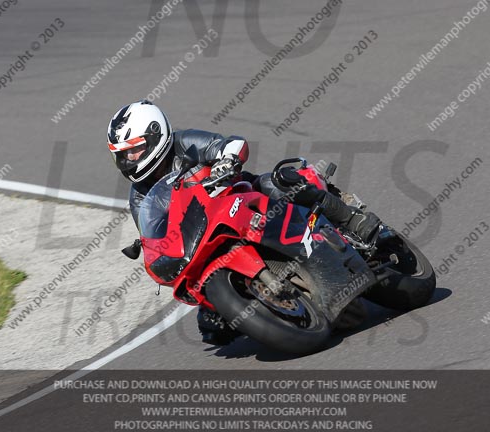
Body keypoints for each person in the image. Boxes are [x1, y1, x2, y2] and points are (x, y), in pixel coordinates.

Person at [107, 100, 380, 345]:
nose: (128, 160)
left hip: (239, 195)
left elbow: (232, 143)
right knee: (212, 328)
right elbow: (154, 234)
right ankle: (270, 301)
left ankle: (350, 218)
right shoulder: (139, 195)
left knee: (275, 183)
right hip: (204, 233)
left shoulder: (186, 142)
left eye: (134, 150)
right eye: (121, 155)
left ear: (156, 135)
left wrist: (226, 160)